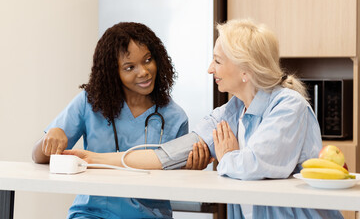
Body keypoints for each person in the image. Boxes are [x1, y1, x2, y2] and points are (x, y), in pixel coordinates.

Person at [63, 19, 343, 219]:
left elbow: (254, 166)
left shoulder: (287, 106)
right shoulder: (230, 113)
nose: (210, 69)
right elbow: (165, 156)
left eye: (218, 61)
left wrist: (227, 156)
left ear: (246, 69)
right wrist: (94, 158)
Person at [32, 22, 191, 219]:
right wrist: (52, 137)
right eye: (129, 67)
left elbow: (176, 179)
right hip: (92, 213)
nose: (143, 72)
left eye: (148, 60)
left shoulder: (175, 117)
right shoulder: (89, 103)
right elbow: (38, 156)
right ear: (112, 72)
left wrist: (189, 167)